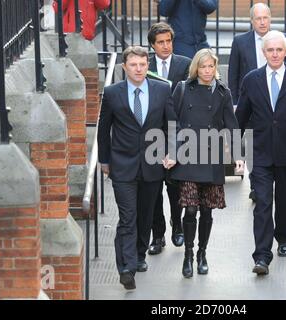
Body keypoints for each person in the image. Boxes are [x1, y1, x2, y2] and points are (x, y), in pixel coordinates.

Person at [235, 31, 286, 276]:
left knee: (284, 200)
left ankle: (283, 236)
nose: (274, 54)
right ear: (263, 53)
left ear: (285, 52)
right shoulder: (251, 80)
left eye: (279, 50)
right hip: (259, 153)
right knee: (262, 202)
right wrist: (233, 153)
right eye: (270, 50)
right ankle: (261, 255)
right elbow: (240, 118)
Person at [97, 46, 177, 290]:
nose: (139, 69)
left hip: (153, 164)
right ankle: (126, 268)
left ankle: (140, 254)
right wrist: (104, 160)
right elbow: (103, 129)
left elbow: (172, 124)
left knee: (145, 216)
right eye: (134, 65)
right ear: (125, 67)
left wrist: (172, 152)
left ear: (147, 65)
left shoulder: (162, 89)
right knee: (127, 217)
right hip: (122, 164)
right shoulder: (112, 93)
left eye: (143, 64)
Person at [170, 48, 244, 278]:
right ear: (196, 68)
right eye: (203, 66)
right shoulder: (183, 89)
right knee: (190, 208)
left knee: (207, 210)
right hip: (188, 155)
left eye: (211, 66)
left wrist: (239, 156)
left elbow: (231, 126)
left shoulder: (223, 92)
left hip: (212, 156)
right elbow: (172, 123)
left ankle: (203, 254)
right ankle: (188, 255)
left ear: (215, 68)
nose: (207, 70)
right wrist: (171, 152)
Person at [228, 3, 286, 202]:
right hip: (251, 101)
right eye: (257, 18)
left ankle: (276, 180)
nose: (262, 22)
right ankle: (257, 183)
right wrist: (235, 101)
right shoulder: (240, 42)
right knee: (252, 142)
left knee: (276, 139)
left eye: (265, 17)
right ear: (252, 21)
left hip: (277, 101)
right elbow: (233, 73)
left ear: (270, 18)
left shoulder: (283, 41)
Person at [147, 22, 191, 255]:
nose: (166, 46)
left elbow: (186, 97)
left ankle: (178, 225)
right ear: (152, 45)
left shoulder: (184, 64)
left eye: (168, 41)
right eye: (161, 42)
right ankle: (158, 235)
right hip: (153, 136)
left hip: (176, 132)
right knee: (154, 189)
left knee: (175, 186)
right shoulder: (146, 65)